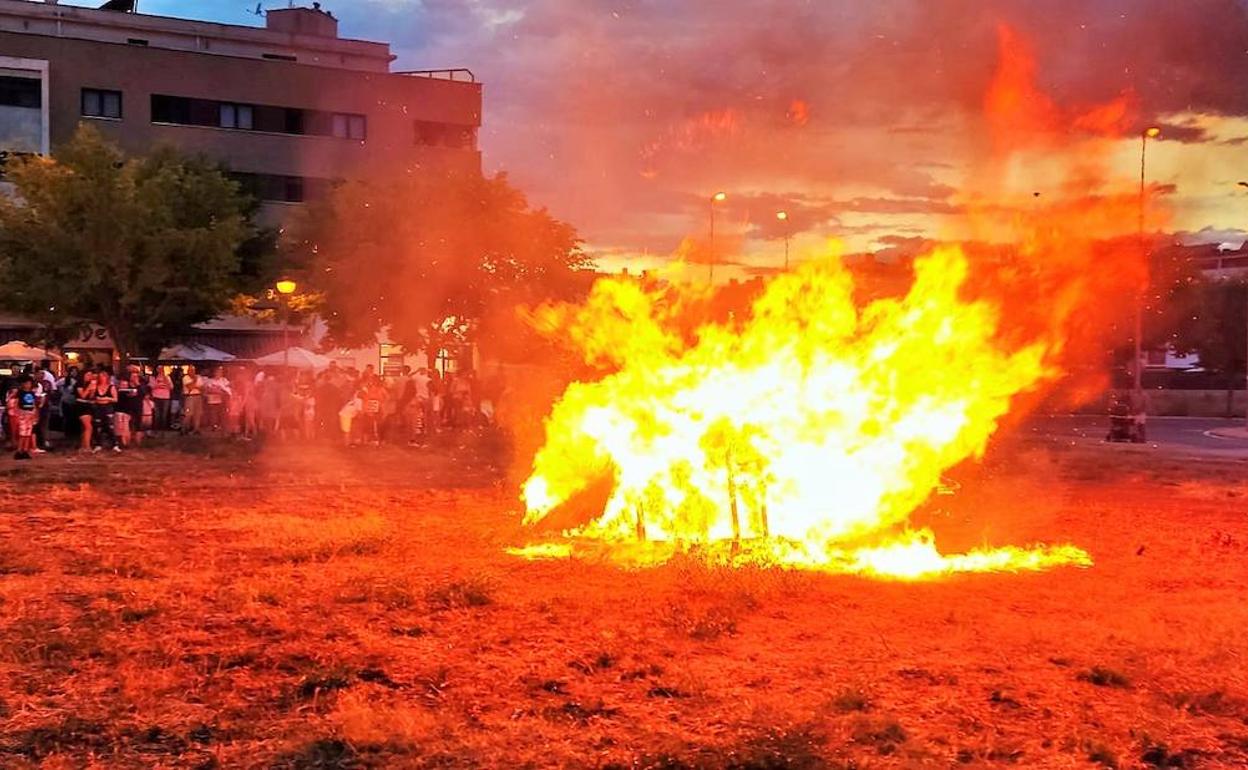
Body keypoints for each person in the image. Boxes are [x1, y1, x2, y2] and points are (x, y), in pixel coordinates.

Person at [90, 369, 121, 453]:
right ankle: (98, 444)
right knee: (97, 426)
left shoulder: (111, 387)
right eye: (100, 377)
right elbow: (92, 397)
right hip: (98, 408)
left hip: (107, 408)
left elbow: (115, 399)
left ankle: (115, 444)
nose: (102, 378)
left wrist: (106, 398)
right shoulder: (96, 386)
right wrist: (93, 390)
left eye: (103, 377)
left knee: (110, 426)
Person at [10, 376, 39, 460]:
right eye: (26, 383)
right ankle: (19, 450)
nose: (28, 385)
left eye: (29, 383)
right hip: (22, 414)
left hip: (30, 414)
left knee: (28, 434)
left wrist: (35, 413)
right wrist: (18, 412)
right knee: (22, 434)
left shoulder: (32, 393)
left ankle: (25, 450)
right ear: (22, 384)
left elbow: (33, 404)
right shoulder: (20, 393)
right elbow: (16, 403)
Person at [202, 366, 232, 433]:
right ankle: (214, 427)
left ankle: (223, 427)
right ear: (214, 373)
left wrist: (220, 391)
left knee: (222, 414)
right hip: (212, 401)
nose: (219, 373)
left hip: (222, 401)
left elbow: (228, 390)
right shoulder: (210, 381)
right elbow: (207, 390)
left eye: (220, 372)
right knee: (213, 415)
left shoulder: (224, 380)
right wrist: (217, 391)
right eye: (218, 372)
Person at [76, 370, 97, 451]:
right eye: (88, 375)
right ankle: (87, 446)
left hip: (89, 406)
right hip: (81, 406)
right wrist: (89, 387)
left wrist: (93, 390)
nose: (90, 376)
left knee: (86, 427)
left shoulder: (89, 384)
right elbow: (83, 395)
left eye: (91, 375)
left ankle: (83, 445)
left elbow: (91, 396)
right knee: (88, 427)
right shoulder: (79, 384)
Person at [182, 366, 203, 435]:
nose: (191, 372)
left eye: (193, 370)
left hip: (198, 396)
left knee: (197, 414)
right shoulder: (185, 378)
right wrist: (195, 381)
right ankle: (185, 429)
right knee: (188, 414)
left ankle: (196, 429)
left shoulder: (199, 377)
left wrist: (194, 385)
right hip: (190, 397)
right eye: (190, 370)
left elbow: (202, 388)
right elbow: (190, 387)